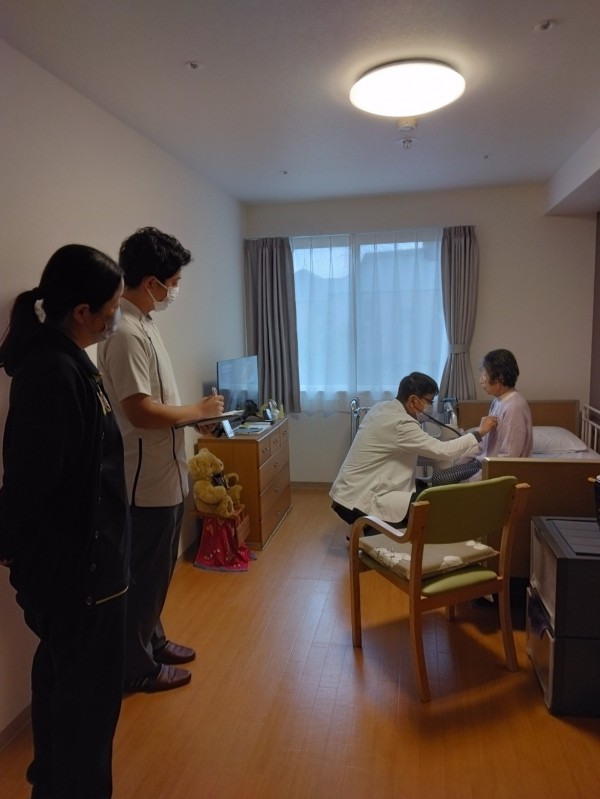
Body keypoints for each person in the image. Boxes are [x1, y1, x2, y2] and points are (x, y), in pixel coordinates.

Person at [0, 245, 129, 799]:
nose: (116, 318)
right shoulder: (51, 374)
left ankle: (53, 786)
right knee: (85, 713)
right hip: (81, 580)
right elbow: (31, 485)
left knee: (68, 692)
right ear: (82, 312)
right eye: (112, 308)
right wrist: (17, 551)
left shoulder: (70, 362)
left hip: (89, 573)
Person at [97, 227, 224, 694]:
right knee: (143, 577)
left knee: (157, 572)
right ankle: (136, 668)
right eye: (173, 282)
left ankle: (153, 640)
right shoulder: (125, 333)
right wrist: (197, 411)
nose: (175, 290)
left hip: (165, 472)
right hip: (143, 480)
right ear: (151, 282)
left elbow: (161, 403)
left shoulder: (145, 323)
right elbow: (139, 411)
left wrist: (197, 419)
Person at [330, 371, 497, 529]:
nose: (431, 406)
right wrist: (480, 432)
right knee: (430, 501)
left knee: (422, 487)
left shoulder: (382, 408)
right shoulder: (401, 423)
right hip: (361, 499)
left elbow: (424, 451)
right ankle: (372, 530)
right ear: (413, 401)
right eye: (430, 401)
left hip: (348, 493)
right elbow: (442, 450)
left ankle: (374, 528)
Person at [432, 348, 533, 485]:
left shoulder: (514, 408)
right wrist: (459, 463)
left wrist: (470, 482)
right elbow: (483, 444)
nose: (481, 380)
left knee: (442, 482)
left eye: (484, 375)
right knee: (438, 477)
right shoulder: (499, 401)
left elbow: (507, 461)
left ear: (500, 378)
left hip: (495, 472)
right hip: (483, 463)